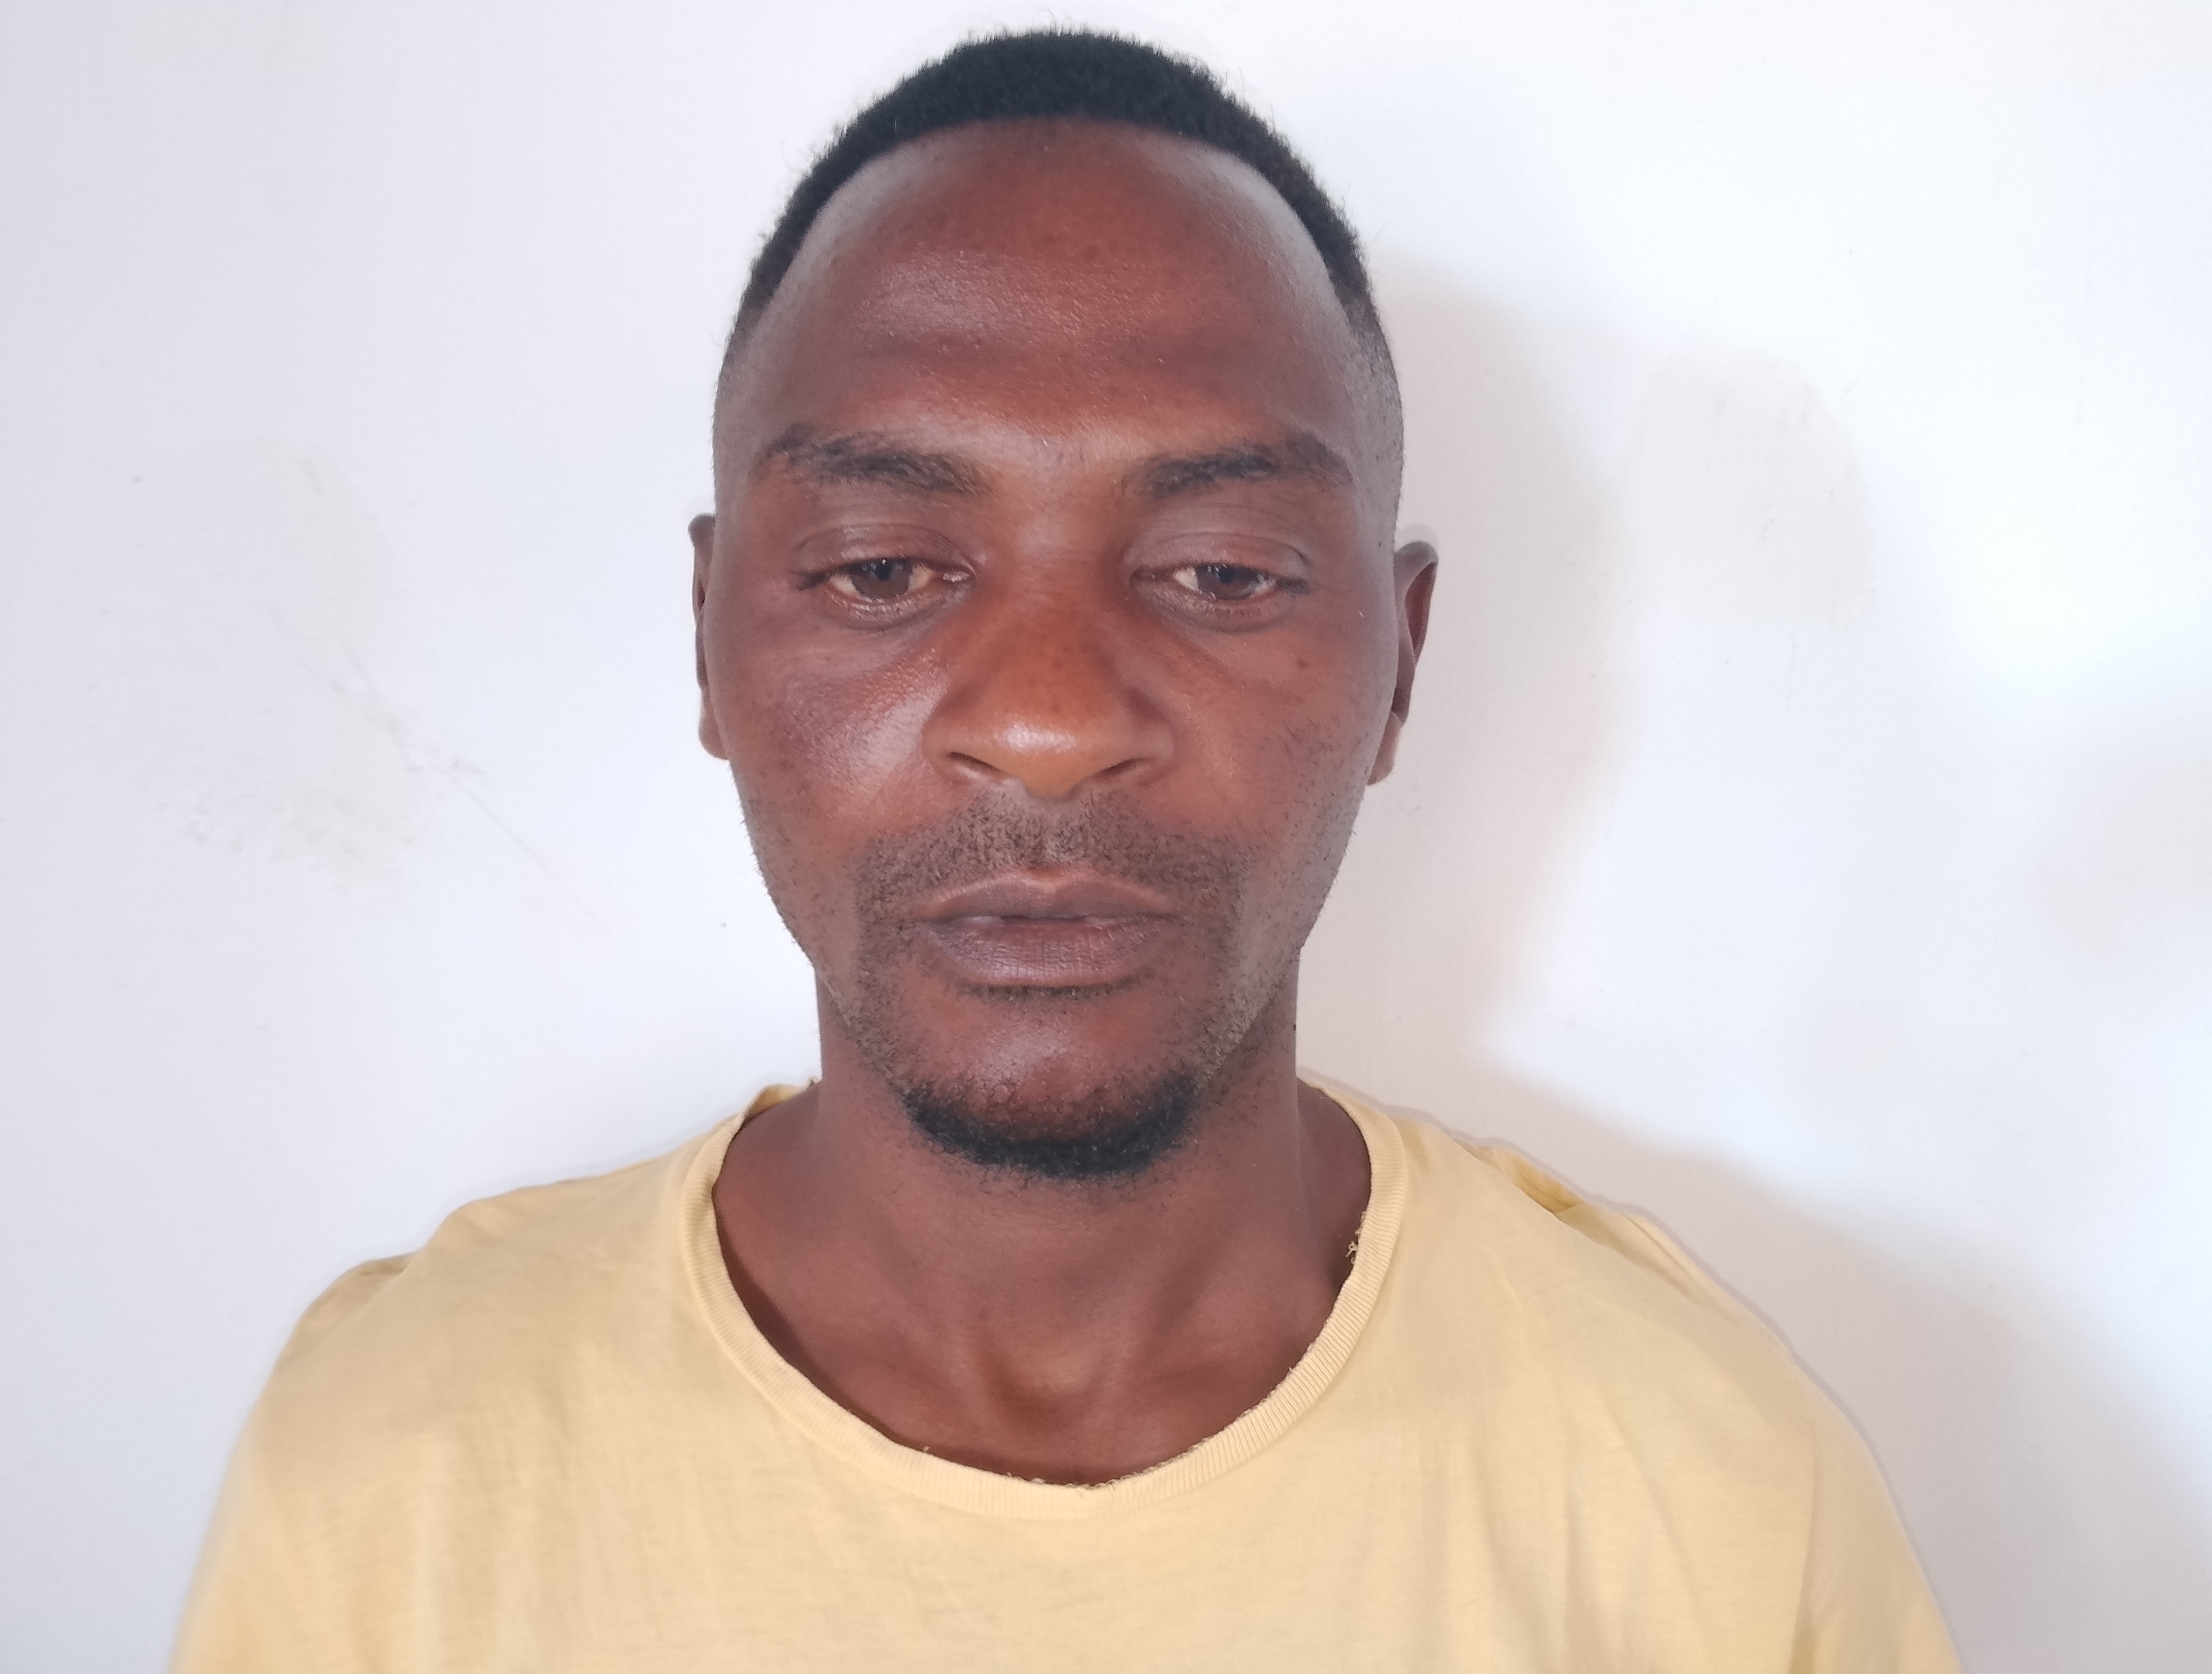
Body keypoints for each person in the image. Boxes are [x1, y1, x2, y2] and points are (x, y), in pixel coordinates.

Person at [173, 30, 1959, 1672]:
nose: (1047, 720)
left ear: (1400, 666)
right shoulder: (393, 1473)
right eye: (883, 570)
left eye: (1223, 573)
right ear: (711, 643)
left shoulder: (1710, 1501)